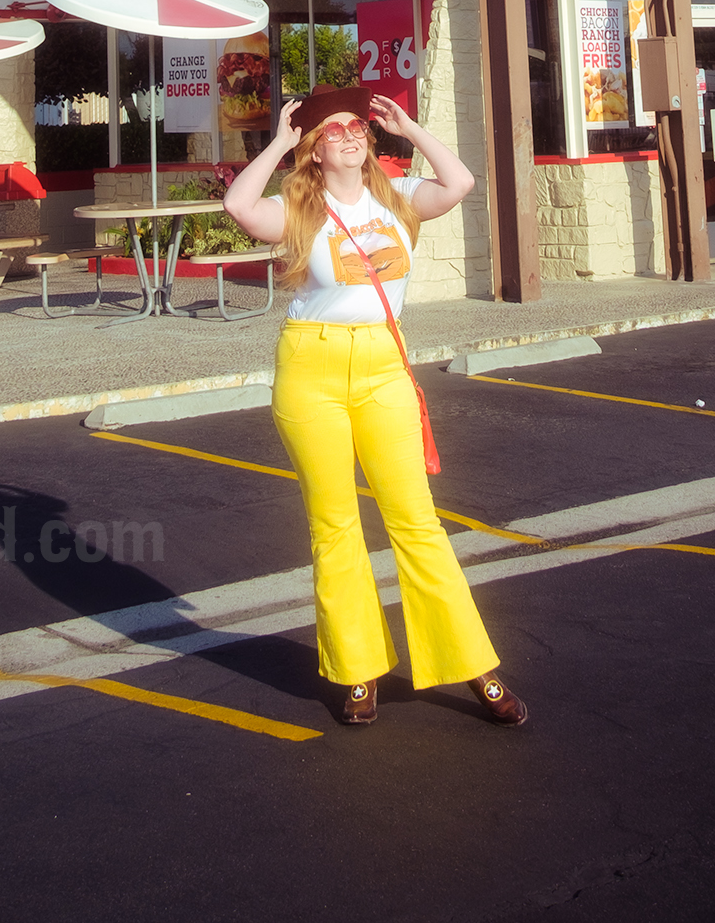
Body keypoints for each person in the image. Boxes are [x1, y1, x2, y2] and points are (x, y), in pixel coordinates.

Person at [223, 83, 528, 730]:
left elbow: (462, 180)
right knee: (335, 528)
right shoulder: (298, 208)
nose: (350, 135)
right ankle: (357, 671)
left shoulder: (399, 198)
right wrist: (278, 140)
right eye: (333, 131)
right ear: (314, 150)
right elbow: (237, 204)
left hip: (384, 368)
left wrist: (411, 129)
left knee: (414, 520)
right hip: (312, 368)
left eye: (356, 127)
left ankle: (472, 665)